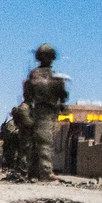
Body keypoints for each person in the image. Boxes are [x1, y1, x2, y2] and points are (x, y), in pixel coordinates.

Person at [23, 44, 68, 181]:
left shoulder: (35, 75)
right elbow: (62, 95)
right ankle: (46, 172)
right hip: (46, 110)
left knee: (37, 142)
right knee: (45, 141)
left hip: (39, 110)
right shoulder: (54, 76)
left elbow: (27, 94)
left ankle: (34, 173)